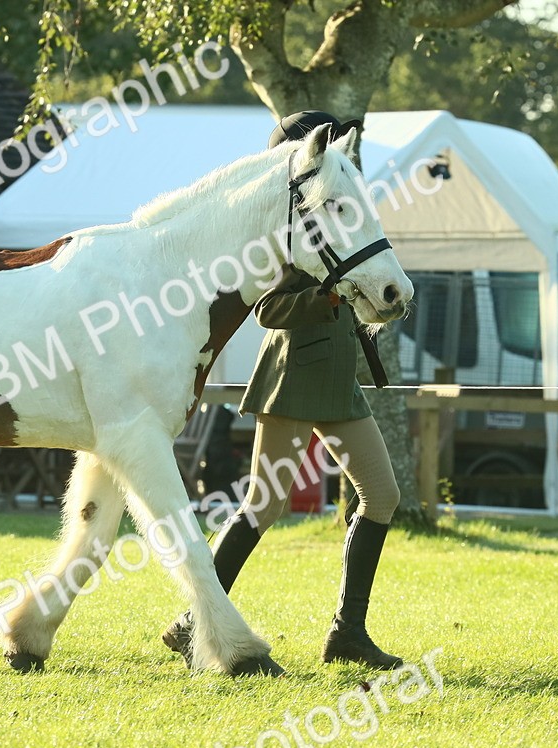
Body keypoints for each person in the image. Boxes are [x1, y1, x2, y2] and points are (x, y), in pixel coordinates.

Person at [163, 110, 404, 673]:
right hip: (293, 377)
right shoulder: (287, 229)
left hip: (339, 381)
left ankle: (348, 633)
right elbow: (267, 310)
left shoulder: (335, 219)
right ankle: (196, 622)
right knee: (264, 504)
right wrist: (328, 298)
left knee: (382, 497)